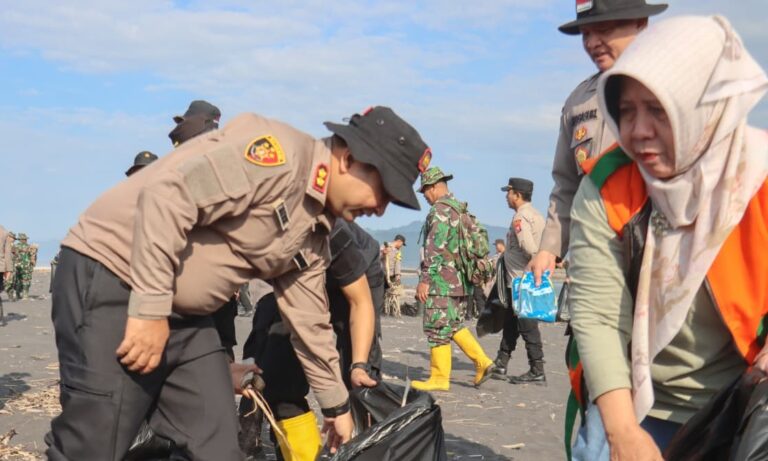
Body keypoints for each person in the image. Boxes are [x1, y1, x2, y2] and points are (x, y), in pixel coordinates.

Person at [46, 106, 432, 460]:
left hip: (183, 316)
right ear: (349, 159)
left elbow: (309, 320)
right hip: (118, 278)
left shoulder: (316, 230)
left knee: (217, 443)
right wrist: (149, 311)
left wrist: (337, 408)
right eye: (384, 192)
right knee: (94, 441)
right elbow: (166, 196)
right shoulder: (276, 158)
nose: (380, 209)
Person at [568, 15, 768, 459]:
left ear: (706, 107)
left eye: (658, 109)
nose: (637, 131)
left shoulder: (758, 179)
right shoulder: (608, 185)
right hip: (627, 392)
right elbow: (598, 318)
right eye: (626, 109)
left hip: (740, 400)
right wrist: (623, 433)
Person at [529, 0, 667, 285]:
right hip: (594, 261)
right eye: (586, 33)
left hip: (663, 259)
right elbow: (566, 185)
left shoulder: (675, 85)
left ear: (641, 22)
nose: (592, 42)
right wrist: (549, 247)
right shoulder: (578, 102)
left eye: (603, 29)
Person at [240, 219, 383, 460]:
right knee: (279, 377)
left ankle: (364, 451)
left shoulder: (329, 230)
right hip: (299, 283)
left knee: (360, 380)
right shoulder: (243, 235)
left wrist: (358, 365)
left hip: (357, 283)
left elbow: (360, 303)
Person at [412, 166, 494, 391]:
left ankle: (439, 378)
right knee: (454, 324)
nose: (425, 196)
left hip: (442, 282)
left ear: (435, 187)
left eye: (425, 191)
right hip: (461, 282)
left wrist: (425, 279)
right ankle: (482, 362)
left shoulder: (440, 210)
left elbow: (435, 247)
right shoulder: (460, 209)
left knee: (437, 327)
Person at [489, 178, 547, 384]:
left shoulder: (520, 218)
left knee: (527, 323)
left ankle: (537, 368)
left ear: (517, 194)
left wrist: (531, 267)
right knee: (511, 322)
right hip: (525, 278)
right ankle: (501, 363)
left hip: (520, 280)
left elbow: (530, 248)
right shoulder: (537, 215)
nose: (507, 196)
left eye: (509, 192)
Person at [10, 233, 36, 301]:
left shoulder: (15, 246)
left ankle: (18, 294)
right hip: (26, 266)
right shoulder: (30, 247)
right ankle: (25, 295)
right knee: (26, 280)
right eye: (25, 239)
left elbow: (12, 256)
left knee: (18, 280)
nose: (25, 240)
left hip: (18, 266)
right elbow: (33, 257)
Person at [0, 225, 12, 325]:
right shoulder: (4, 231)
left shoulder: (4, 232)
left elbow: (8, 253)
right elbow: (7, 253)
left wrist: (8, 269)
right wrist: (8, 270)